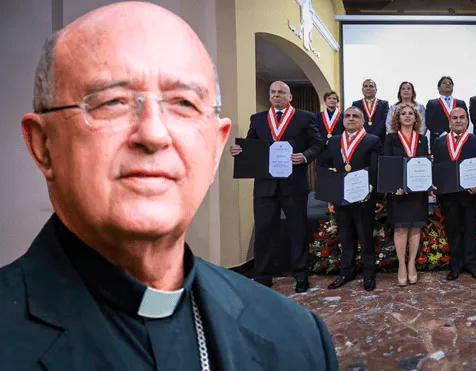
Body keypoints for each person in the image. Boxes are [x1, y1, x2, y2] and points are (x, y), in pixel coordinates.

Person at [0, 3, 339, 370]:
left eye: (183, 103)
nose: (153, 134)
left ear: (214, 148)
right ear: (43, 145)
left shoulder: (299, 339)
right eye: (112, 101)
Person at [229, 81, 323, 293]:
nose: (276, 95)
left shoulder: (305, 117)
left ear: (290, 97)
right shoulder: (258, 119)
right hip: (265, 186)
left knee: (297, 230)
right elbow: (252, 146)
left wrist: (305, 156)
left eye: (281, 92)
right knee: (263, 230)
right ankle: (262, 276)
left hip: (294, 184)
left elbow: (318, 144)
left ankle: (301, 275)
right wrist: (240, 150)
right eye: (273, 92)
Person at [322, 107, 381, 291]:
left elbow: (375, 168)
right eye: (347, 116)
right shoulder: (333, 141)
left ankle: (369, 274)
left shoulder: (372, 140)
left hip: (363, 197)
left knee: (365, 236)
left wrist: (369, 188)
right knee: (345, 235)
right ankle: (346, 272)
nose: (351, 119)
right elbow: (326, 164)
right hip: (341, 197)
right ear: (343, 120)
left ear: (363, 121)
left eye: (356, 116)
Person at [432, 107, 476, 281]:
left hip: (470, 194)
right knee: (452, 230)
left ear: (467, 121)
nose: (459, 120)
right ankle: (456, 266)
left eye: (462, 117)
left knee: (470, 230)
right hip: (448, 195)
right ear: (449, 122)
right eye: (455, 118)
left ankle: (472, 265)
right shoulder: (439, 143)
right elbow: (437, 167)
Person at [383, 103, 430, 286]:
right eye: (403, 113)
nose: (408, 116)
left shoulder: (422, 139)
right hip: (398, 191)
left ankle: (412, 264)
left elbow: (424, 164)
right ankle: (401, 265)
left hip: (417, 191)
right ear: (398, 118)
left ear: (416, 118)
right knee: (401, 227)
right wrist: (394, 185)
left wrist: (427, 182)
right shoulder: (391, 138)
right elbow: (388, 163)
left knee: (416, 227)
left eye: (411, 113)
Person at [425, 76, 468, 147]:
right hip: (439, 138)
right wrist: (444, 134)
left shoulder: (460, 103)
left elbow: (466, 120)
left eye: (450, 83)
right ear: (439, 88)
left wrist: (457, 133)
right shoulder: (432, 103)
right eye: (444, 83)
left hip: (458, 138)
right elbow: (430, 122)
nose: (447, 84)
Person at [352, 79, 389, 144]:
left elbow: (384, 121)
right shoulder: (356, 104)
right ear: (362, 89)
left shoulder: (384, 104)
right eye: (365, 86)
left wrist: (374, 136)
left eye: (371, 86)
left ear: (376, 89)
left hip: (379, 139)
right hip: (361, 139)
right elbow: (356, 120)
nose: (368, 88)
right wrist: (365, 135)